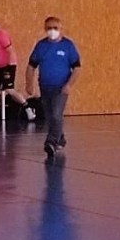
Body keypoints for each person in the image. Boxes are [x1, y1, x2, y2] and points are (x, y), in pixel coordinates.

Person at [25, 16, 80, 158]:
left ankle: (51, 142)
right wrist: (29, 84)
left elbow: (77, 67)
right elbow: (31, 66)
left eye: (55, 28)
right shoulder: (41, 46)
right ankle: (60, 138)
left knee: (56, 113)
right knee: (49, 116)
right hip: (45, 86)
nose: (52, 31)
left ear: (60, 29)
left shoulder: (68, 46)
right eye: (49, 28)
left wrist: (69, 85)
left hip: (61, 87)